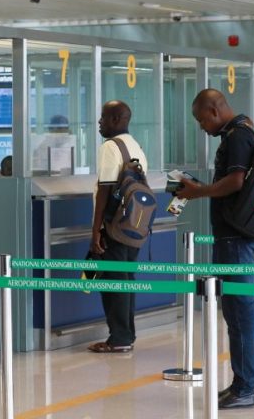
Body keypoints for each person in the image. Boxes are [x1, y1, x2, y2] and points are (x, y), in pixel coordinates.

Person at [180, 89, 254, 410]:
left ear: (215, 110)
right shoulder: (243, 132)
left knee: (240, 313)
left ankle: (245, 386)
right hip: (242, 237)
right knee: (239, 312)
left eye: (202, 119)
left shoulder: (238, 137)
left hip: (237, 240)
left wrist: (198, 192)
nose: (201, 126)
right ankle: (243, 383)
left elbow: (236, 181)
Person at [87, 100, 148, 354]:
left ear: (116, 119)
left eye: (103, 117)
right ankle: (126, 334)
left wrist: (95, 231)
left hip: (113, 225)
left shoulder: (110, 147)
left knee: (113, 279)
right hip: (134, 225)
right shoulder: (136, 146)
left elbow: (105, 190)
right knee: (125, 278)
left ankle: (119, 337)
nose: (99, 123)